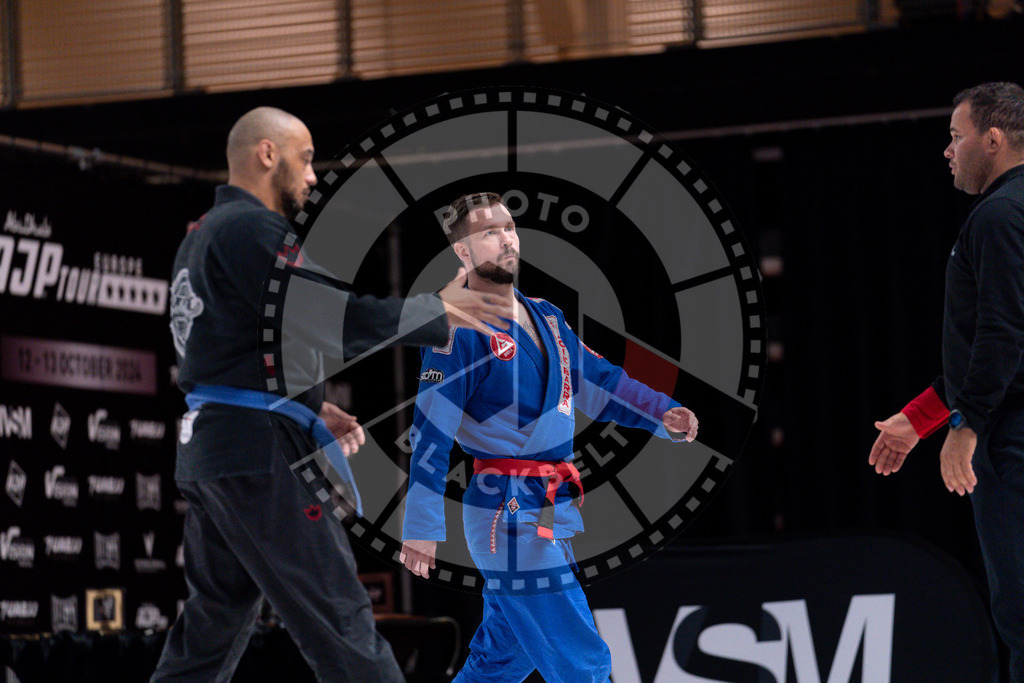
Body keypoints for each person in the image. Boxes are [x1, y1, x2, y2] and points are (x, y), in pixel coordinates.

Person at [152, 108, 514, 682]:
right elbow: (332, 319)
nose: (314, 175)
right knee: (340, 622)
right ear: (266, 154)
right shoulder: (252, 230)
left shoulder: (201, 237)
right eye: (305, 157)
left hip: (214, 450)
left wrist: (310, 402)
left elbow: (220, 346)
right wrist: (437, 310)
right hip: (258, 455)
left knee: (213, 623)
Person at [399, 192, 699, 682]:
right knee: (580, 657)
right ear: (464, 252)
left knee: (504, 657)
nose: (505, 238)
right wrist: (423, 523)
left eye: (509, 227)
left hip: (545, 504)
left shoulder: (547, 316)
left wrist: (662, 412)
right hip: (504, 510)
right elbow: (431, 428)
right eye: (488, 232)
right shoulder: (455, 326)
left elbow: (599, 381)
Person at [869, 82, 1024, 681]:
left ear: (994, 138)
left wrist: (967, 424)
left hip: (1012, 440)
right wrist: (923, 416)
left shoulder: (1000, 214)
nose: (949, 150)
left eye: (956, 137)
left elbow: (1004, 332)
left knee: (1019, 611)